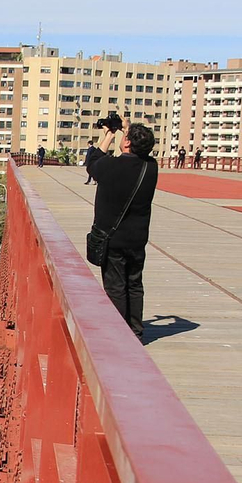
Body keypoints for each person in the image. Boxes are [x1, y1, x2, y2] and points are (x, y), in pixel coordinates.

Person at [90, 123, 160, 340]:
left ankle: (119, 335)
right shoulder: (151, 167)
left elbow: (92, 162)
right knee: (134, 284)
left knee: (116, 287)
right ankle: (136, 331)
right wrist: (127, 128)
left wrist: (109, 136)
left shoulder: (111, 166)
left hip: (114, 238)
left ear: (127, 142)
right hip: (137, 237)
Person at [85, 112, 121, 183]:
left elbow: (92, 166)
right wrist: (126, 128)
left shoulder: (115, 167)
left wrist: (109, 136)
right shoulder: (148, 166)